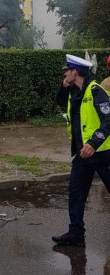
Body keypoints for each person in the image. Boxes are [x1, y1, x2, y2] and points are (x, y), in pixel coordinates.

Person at [52, 54, 110, 247]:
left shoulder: (95, 90)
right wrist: (64, 86)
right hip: (82, 154)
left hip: (103, 152)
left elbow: (109, 119)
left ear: (74, 72)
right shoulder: (74, 92)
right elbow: (59, 102)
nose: (65, 74)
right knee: (76, 194)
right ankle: (76, 234)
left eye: (66, 71)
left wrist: (94, 143)